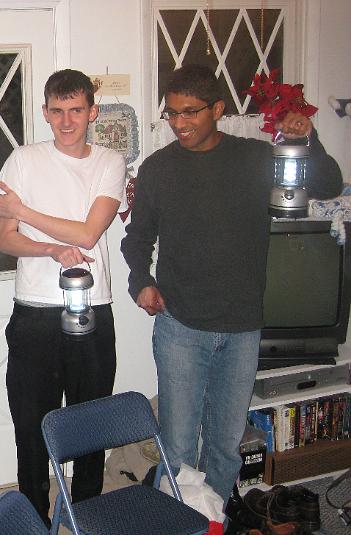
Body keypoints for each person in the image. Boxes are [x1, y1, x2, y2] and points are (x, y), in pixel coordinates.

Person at [120, 64, 343, 504]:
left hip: (242, 330)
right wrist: (142, 281)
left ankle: (212, 530)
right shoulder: (157, 169)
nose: (179, 123)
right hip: (180, 328)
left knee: (225, 450)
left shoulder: (255, 158)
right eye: (172, 114)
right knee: (180, 449)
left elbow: (328, 183)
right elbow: (138, 238)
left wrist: (309, 140)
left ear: (217, 109)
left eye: (191, 112)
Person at [0, 69, 127, 525]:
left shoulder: (110, 161)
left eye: (76, 111)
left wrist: (26, 211)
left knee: (89, 423)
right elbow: (6, 239)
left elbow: (89, 233)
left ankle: (89, 518)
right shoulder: (22, 160)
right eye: (57, 111)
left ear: (92, 112)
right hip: (34, 312)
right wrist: (50, 248)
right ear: (45, 113)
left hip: (91, 309)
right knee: (30, 427)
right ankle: (33, 519)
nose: (66, 121)